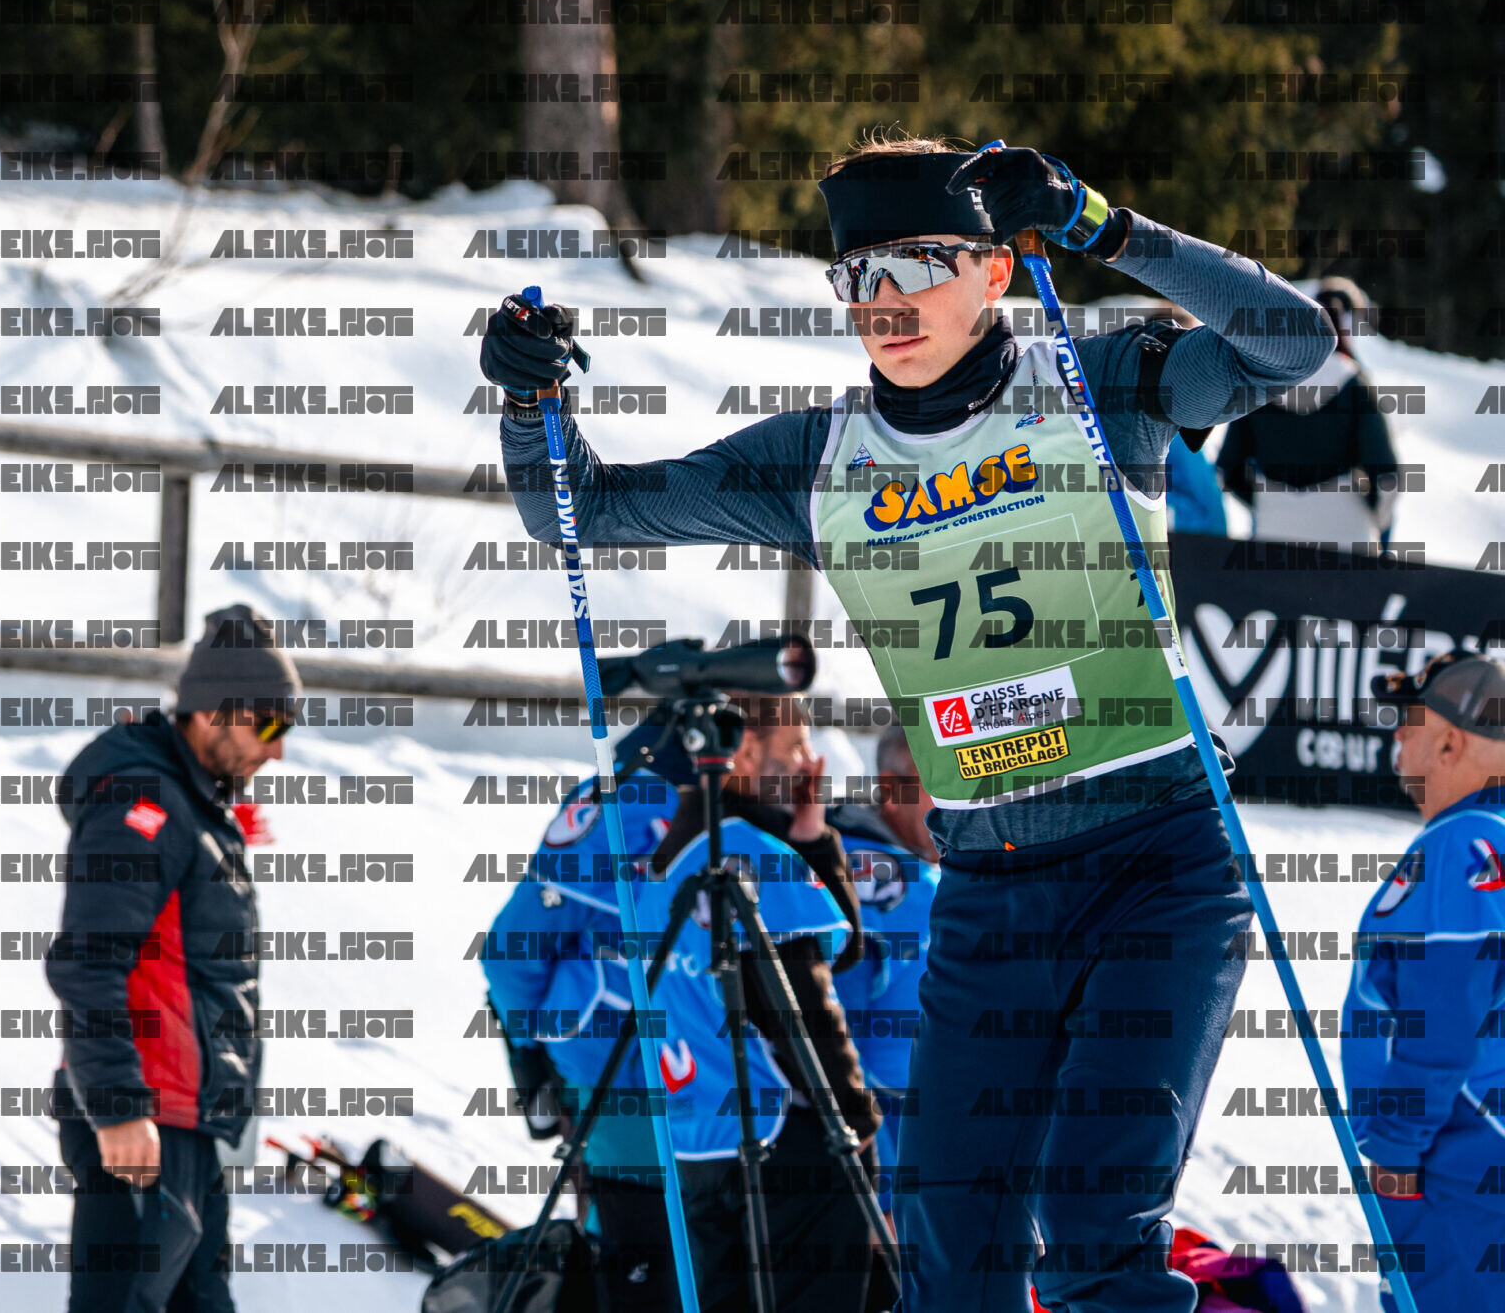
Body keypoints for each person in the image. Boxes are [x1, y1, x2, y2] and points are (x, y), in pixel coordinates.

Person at [481, 133, 1339, 1312]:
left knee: (1092, 1236)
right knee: (948, 1255)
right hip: (987, 888)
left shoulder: (1097, 388)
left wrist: (1101, 226)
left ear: (995, 270)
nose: (882, 301)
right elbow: (575, 513)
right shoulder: (818, 457)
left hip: (1156, 868)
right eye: (857, 275)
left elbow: (1293, 343)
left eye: (918, 264)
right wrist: (527, 396)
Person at [483, 693, 887, 1313]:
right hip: (631, 1080)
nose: (811, 761)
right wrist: (536, 1061)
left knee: (694, 1278)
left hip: (700, 1098)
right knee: (651, 1272)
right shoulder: (636, 801)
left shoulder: (715, 828)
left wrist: (810, 836)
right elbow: (513, 952)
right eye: (796, 744)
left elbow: (821, 953)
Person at [45, 604, 291, 1313]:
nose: (277, 750)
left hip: (184, 1124)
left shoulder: (194, 807)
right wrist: (119, 1107)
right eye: (268, 725)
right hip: (140, 1121)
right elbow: (87, 960)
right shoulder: (144, 801)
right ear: (213, 711)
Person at [1343, 651, 1505, 1312]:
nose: (1396, 743)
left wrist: (1394, 1153)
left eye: (1407, 723)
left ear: (1449, 742)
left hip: (1455, 1164)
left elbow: (1441, 1019)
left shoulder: (1462, 843)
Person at [826, 727, 940, 1214]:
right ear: (892, 790)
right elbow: (834, 1040)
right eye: (941, 782)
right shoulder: (887, 880)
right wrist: (881, 1197)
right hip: (888, 1163)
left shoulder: (922, 865)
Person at [1216, 275, 1401, 548]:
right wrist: (1377, 520)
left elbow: (1227, 469)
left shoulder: (1263, 379)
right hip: (1347, 535)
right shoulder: (1354, 384)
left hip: (1274, 532)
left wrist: (1267, 502)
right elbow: (1386, 478)